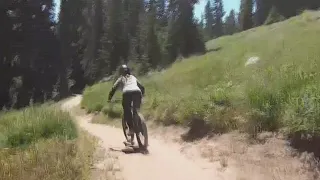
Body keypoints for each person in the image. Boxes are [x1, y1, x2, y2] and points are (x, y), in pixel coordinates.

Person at [107, 64, 145, 145]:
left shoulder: (121, 78)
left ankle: (131, 128)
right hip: (137, 92)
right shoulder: (133, 77)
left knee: (126, 109)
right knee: (136, 110)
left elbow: (113, 89)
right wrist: (143, 96)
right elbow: (142, 87)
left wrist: (109, 98)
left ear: (121, 72)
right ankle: (139, 124)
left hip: (127, 92)